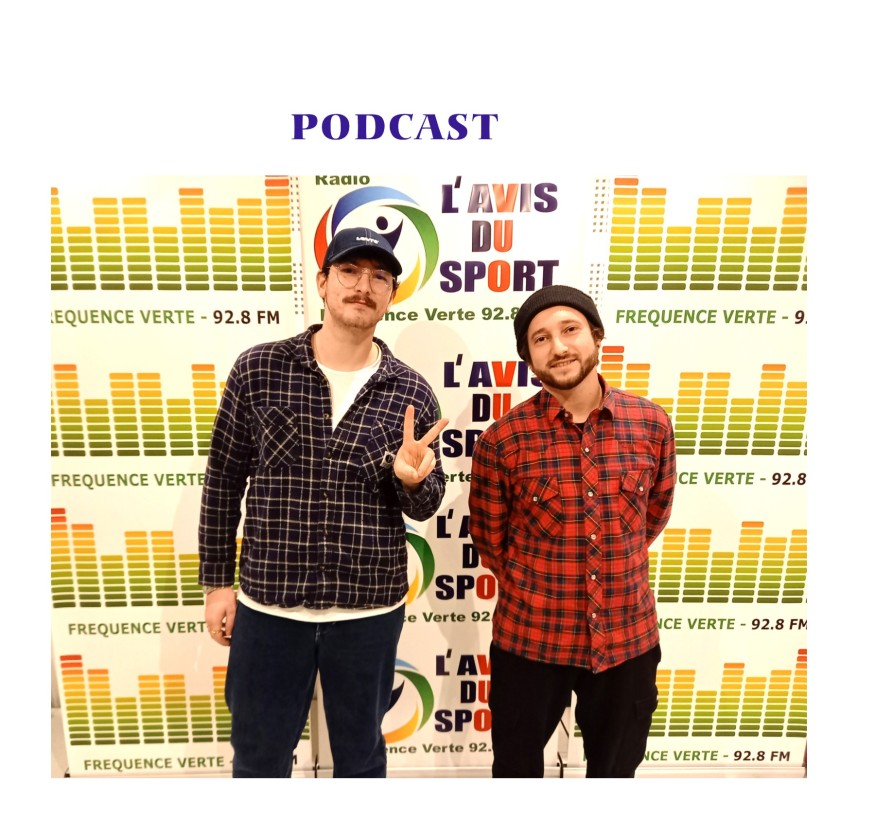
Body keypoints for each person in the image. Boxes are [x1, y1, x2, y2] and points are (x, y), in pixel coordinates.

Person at [198, 227, 448, 778]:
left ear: (391, 295)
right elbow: (223, 481)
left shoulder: (411, 392)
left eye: (379, 277)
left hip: (368, 614)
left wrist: (412, 481)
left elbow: (427, 504)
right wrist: (217, 583)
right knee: (259, 761)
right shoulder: (259, 369)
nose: (363, 286)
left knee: (361, 761)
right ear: (322, 282)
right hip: (269, 608)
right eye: (349, 271)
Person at [469, 285, 676, 778]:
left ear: (596, 336)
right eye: (540, 339)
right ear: (528, 358)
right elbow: (490, 540)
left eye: (569, 330)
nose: (558, 347)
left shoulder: (651, 424)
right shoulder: (503, 440)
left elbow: (654, 514)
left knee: (615, 773)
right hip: (530, 641)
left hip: (627, 639)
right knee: (515, 773)